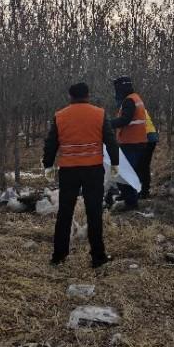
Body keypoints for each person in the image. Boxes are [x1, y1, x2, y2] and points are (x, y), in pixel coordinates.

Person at [43, 82, 118, 268]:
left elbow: (51, 143)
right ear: (88, 94)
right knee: (94, 213)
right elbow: (111, 140)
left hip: (68, 171)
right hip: (93, 170)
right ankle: (98, 257)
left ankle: (58, 256)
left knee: (65, 214)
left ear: (70, 96)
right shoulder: (99, 114)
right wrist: (115, 162)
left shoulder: (60, 116)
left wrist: (48, 165)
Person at [110, 76, 148, 210]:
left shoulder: (129, 100)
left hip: (132, 142)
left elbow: (125, 120)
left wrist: (108, 124)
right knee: (128, 172)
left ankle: (131, 203)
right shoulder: (135, 98)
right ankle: (129, 197)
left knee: (123, 173)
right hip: (136, 141)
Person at [138, 109, 159, 199]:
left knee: (142, 165)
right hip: (152, 137)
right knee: (144, 165)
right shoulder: (142, 108)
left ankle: (144, 191)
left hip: (146, 137)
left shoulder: (132, 108)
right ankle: (144, 190)